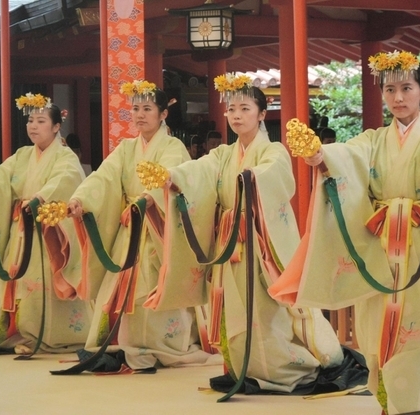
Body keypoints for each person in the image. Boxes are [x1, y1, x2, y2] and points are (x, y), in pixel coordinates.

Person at [269, 50, 420, 413]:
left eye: (406, 88)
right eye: (390, 89)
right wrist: (320, 155)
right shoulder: (373, 140)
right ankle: (392, 398)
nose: (398, 98)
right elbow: (348, 158)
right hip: (381, 249)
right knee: (378, 327)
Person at [141, 73, 361, 396]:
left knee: (271, 312)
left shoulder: (274, 152)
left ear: (262, 113)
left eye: (244, 108)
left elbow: (278, 176)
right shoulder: (223, 155)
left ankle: (293, 367)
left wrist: (251, 179)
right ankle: (248, 369)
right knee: (235, 309)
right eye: (231, 109)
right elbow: (199, 171)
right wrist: (171, 175)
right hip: (232, 245)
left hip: (262, 245)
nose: (236, 116)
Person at [67, 79, 217, 371]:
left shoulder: (173, 146)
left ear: (163, 114)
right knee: (123, 287)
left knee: (154, 283)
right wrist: (81, 198)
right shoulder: (126, 148)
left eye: (147, 108)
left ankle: (163, 344)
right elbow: (104, 176)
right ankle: (125, 345)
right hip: (131, 230)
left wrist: (149, 198)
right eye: (135, 108)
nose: (139, 114)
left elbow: (174, 176)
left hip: (159, 230)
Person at [0, 93, 90, 356]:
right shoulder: (22, 155)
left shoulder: (65, 158)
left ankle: (52, 334)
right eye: (31, 120)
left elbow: (66, 180)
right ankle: (17, 331)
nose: (33, 126)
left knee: (41, 280)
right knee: (16, 280)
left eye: (41, 121)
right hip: (21, 230)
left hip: (48, 233)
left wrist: (41, 198)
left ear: (57, 127)